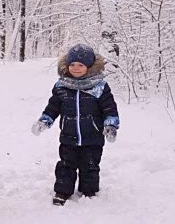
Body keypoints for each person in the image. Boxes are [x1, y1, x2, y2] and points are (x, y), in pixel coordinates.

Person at [31, 43, 119, 206]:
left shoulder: (99, 87)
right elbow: (53, 107)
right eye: (72, 65)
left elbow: (109, 108)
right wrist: (44, 120)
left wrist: (111, 125)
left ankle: (89, 190)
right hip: (68, 136)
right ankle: (62, 191)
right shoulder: (62, 86)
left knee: (90, 165)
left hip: (92, 137)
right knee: (66, 165)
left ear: (90, 66)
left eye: (81, 65)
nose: (76, 68)